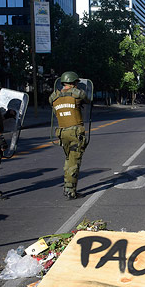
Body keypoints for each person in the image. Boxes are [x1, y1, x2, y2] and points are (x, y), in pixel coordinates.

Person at [49, 71, 91, 199]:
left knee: (68, 160)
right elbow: (87, 100)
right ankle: (70, 191)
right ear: (74, 83)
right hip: (75, 132)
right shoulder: (77, 94)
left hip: (62, 133)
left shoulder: (54, 97)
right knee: (74, 162)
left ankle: (67, 186)